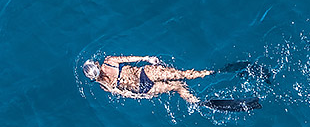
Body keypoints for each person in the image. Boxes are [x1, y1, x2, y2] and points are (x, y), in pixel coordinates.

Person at [82, 55, 214, 104]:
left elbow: (126, 94)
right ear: (96, 65)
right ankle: (209, 72)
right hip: (145, 74)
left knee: (177, 87)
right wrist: (147, 58)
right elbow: (129, 59)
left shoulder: (104, 86)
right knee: (182, 74)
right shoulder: (109, 61)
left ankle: (197, 102)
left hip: (143, 89)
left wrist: (143, 96)